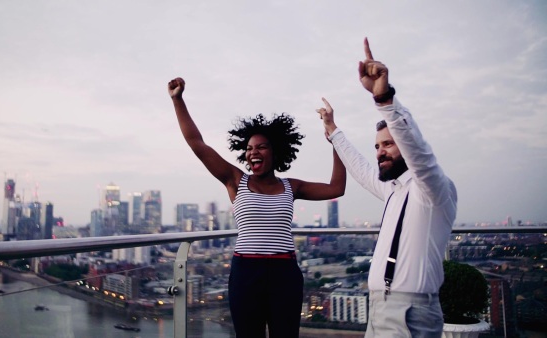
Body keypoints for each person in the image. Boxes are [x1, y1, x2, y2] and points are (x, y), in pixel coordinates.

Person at [168, 77, 346, 338]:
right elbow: (197, 144)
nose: (253, 152)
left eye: (261, 147)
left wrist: (335, 139)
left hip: (285, 273)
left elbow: (336, 188)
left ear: (275, 151)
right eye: (249, 148)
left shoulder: (291, 186)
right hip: (246, 273)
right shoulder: (235, 180)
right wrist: (178, 100)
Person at [317, 38, 457, 337]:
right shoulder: (394, 190)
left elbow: (419, 152)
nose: (380, 151)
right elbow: (361, 169)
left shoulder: (432, 189)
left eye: (389, 144)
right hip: (380, 308)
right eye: (378, 146)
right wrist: (333, 130)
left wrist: (385, 101)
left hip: (410, 312)